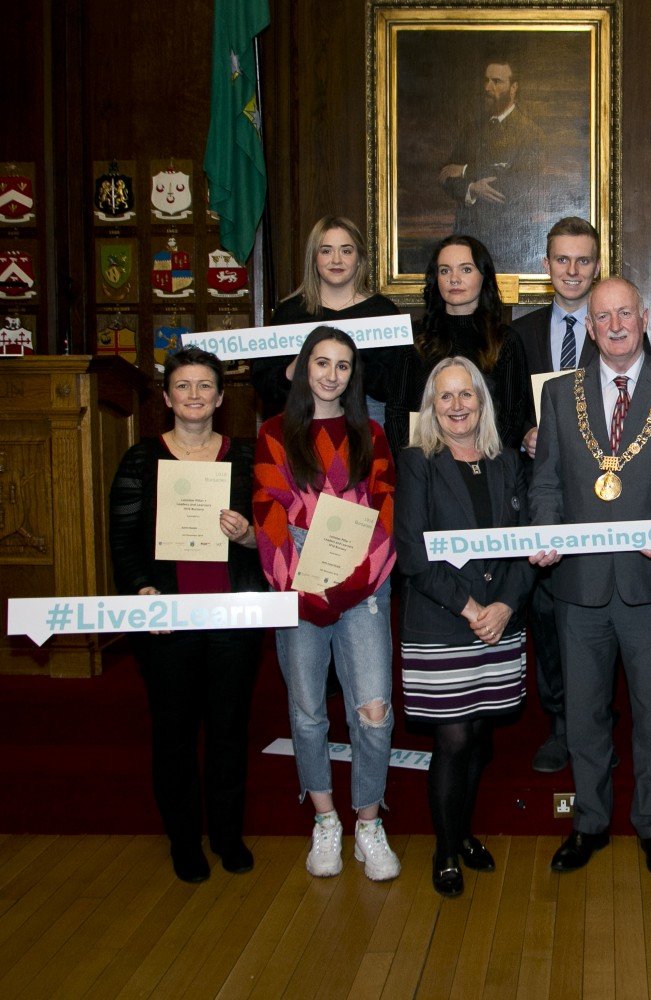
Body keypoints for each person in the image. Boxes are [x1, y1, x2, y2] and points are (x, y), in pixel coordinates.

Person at [529, 277, 651, 878]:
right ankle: (589, 823)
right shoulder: (559, 393)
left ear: (645, 316)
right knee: (583, 713)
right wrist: (546, 531)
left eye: (623, 313)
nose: (613, 325)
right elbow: (547, 482)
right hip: (578, 586)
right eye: (601, 317)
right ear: (591, 326)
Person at [108, 347, 265, 883]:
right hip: (166, 621)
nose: (194, 395)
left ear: (220, 398)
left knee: (228, 731)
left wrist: (247, 536)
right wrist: (141, 588)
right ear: (168, 397)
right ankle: (184, 839)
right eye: (183, 386)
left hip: (231, 618)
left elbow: (271, 537)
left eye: (204, 386)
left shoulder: (245, 458)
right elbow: (123, 541)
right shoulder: (140, 459)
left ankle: (226, 835)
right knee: (174, 734)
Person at [253, 326, 401, 882]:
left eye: (343, 365)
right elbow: (270, 512)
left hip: (363, 587)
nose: (332, 374)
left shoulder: (374, 434)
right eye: (322, 362)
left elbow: (385, 514)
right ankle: (324, 818)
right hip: (295, 590)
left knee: (374, 710)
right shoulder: (273, 433)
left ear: (352, 374)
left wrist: (350, 586)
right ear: (301, 367)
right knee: (308, 712)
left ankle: (367, 823)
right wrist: (298, 590)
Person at [394, 356, 534, 896]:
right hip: (443, 622)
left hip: (500, 619)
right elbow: (412, 553)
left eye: (466, 394)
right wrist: (472, 609)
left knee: (480, 736)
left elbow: (525, 543)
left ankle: (464, 830)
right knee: (453, 739)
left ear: (482, 402)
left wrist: (503, 607)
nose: (457, 405)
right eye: (445, 396)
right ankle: (446, 850)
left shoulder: (506, 463)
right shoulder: (418, 462)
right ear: (431, 406)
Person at [513, 217, 602, 773]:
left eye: (583, 260)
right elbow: (503, 408)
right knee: (545, 615)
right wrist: (527, 431)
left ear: (597, 265)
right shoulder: (519, 335)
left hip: (601, 495)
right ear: (546, 266)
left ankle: (597, 724)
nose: (572, 271)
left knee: (596, 617)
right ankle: (561, 724)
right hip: (539, 493)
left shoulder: (616, 327)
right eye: (562, 260)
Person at [385, 235, 529, 458]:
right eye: (444, 270)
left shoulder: (505, 340)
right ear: (436, 279)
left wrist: (484, 467)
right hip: (424, 468)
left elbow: (512, 417)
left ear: (484, 277)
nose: (454, 278)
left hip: (487, 470)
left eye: (465, 269)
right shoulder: (414, 337)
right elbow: (396, 413)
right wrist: (412, 466)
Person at [251, 216, 403, 422]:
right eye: (326, 250)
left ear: (360, 258)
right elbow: (265, 386)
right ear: (313, 258)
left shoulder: (383, 312)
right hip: (302, 420)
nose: (336, 260)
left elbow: (400, 385)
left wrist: (352, 365)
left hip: (369, 421)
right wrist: (296, 368)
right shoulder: (290, 313)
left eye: (346, 251)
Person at [438, 59, 544, 270]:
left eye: (497, 81)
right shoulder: (472, 129)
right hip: (465, 240)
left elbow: (516, 184)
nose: (488, 87)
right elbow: (445, 175)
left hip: (506, 242)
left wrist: (466, 171)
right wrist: (471, 188)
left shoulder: (530, 133)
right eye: (487, 81)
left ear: (513, 88)